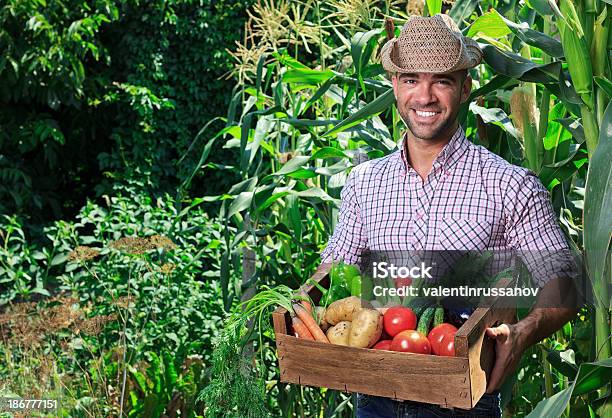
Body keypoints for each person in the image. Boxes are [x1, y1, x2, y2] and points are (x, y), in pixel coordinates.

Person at [321, 14, 579, 418]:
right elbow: (335, 270)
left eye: (441, 80)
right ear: (394, 85)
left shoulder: (510, 185)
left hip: (466, 401)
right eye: (410, 80)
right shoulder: (364, 183)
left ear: (465, 89)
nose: (424, 96)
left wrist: (524, 331)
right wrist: (298, 306)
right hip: (375, 401)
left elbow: (563, 286)